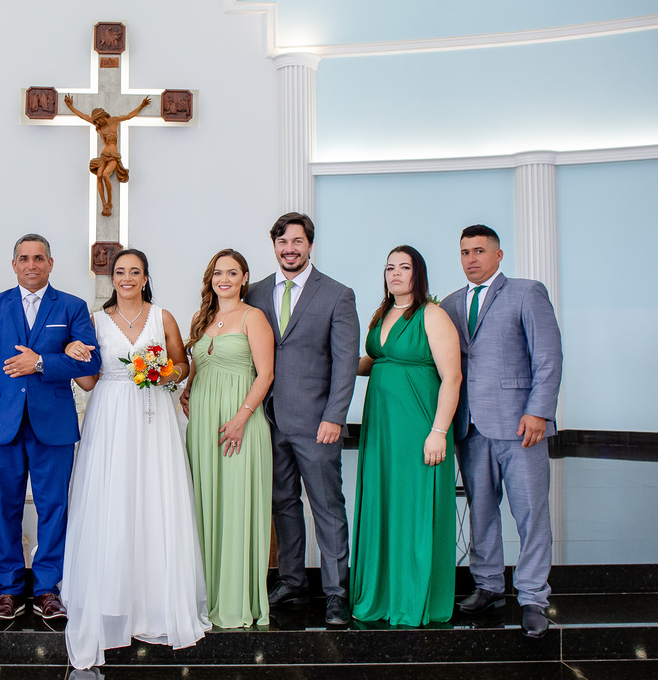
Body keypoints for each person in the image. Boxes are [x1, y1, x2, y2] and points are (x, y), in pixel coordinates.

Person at [61, 248, 211, 669]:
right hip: (109, 415)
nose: (127, 278)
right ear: (112, 278)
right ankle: (111, 600)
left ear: (145, 278)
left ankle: (156, 602)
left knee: (154, 499)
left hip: (153, 416)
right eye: (120, 272)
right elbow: (89, 380)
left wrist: (166, 374)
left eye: (135, 272)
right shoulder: (95, 321)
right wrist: (72, 352)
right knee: (112, 500)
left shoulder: (163, 317)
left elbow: (182, 363)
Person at [0, 234, 101, 622]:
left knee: (53, 508)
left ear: (50, 264)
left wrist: (41, 362)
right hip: (2, 425)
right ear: (14, 265)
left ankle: (48, 590)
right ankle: (8, 591)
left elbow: (91, 364)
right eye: (24, 258)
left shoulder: (72, 307)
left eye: (39, 258)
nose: (31, 265)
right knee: (5, 507)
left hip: (53, 425)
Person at [440, 224, 562, 638]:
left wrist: (539, 412)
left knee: (530, 513)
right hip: (470, 425)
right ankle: (489, 585)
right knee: (481, 510)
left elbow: (548, 357)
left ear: (498, 254)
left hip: (519, 425)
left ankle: (533, 597)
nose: (471, 259)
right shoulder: (451, 304)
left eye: (479, 251)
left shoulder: (527, 293)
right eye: (464, 252)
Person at [245, 212, 360, 627]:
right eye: (282, 242)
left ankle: (336, 592)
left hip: (317, 423)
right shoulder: (255, 292)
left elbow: (345, 363)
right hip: (268, 420)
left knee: (327, 506)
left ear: (310, 244)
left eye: (297, 241)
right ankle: (292, 581)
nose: (289, 249)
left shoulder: (337, 295)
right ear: (274, 246)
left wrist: (334, 417)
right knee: (283, 503)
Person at [350, 246, 461, 626]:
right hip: (382, 427)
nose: (395, 273)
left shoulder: (432, 314)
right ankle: (382, 594)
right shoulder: (382, 313)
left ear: (418, 274)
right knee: (384, 502)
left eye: (404, 267)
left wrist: (438, 432)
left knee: (413, 506)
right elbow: (375, 361)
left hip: (418, 424)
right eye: (390, 267)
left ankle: (411, 598)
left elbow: (452, 377)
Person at [181, 249, 275, 628]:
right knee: (205, 505)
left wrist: (241, 417)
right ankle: (206, 596)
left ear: (244, 278)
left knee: (235, 505)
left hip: (241, 424)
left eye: (232, 273)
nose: (224, 279)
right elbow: (198, 364)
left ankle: (236, 599)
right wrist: (188, 388)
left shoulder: (254, 317)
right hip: (204, 424)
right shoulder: (200, 318)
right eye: (218, 273)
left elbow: (265, 374)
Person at [63, 94, 150, 217]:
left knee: (105, 175)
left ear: (103, 116)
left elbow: (129, 116)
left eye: (98, 120)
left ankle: (109, 202)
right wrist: (71, 106)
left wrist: (142, 105)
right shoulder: (99, 126)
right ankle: (104, 203)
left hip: (113, 155)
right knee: (99, 175)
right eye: (96, 121)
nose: (97, 122)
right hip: (103, 154)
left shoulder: (114, 121)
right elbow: (83, 116)